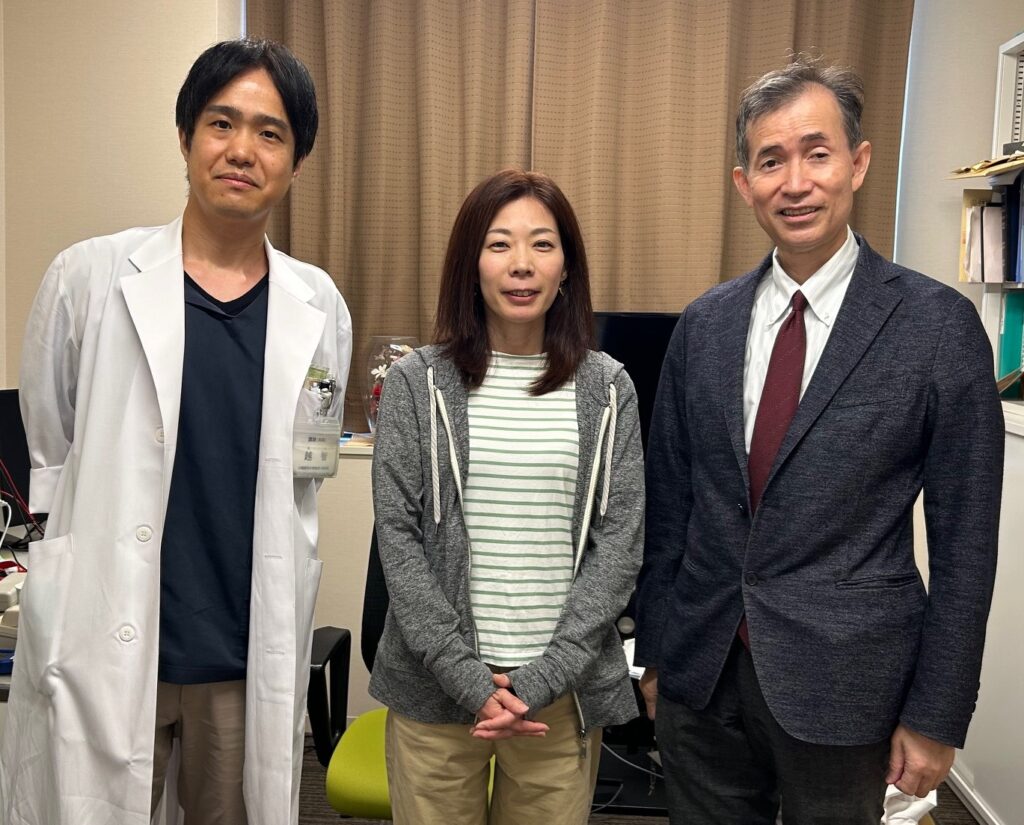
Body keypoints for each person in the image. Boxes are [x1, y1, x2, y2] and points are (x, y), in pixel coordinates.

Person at [634, 57, 1003, 824]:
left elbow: (966, 546)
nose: (795, 182)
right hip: (701, 676)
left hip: (848, 689)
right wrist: (657, 653)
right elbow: (669, 508)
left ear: (858, 164)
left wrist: (938, 713)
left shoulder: (937, 328)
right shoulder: (703, 325)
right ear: (744, 184)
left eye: (817, 153)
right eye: (771, 161)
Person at [0, 38, 352, 825]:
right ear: (187, 136)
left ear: (296, 161)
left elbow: (311, 457)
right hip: (105, 628)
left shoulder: (318, 305)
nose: (242, 150)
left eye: (270, 132)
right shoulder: (89, 278)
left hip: (238, 647)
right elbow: (50, 445)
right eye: (221, 123)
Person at [369, 168, 644, 824]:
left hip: (558, 693)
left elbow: (620, 543)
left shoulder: (608, 389)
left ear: (566, 268)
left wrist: (544, 677)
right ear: (472, 264)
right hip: (436, 690)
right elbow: (398, 540)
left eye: (542, 244)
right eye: (499, 244)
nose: (522, 263)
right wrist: (467, 677)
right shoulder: (416, 383)